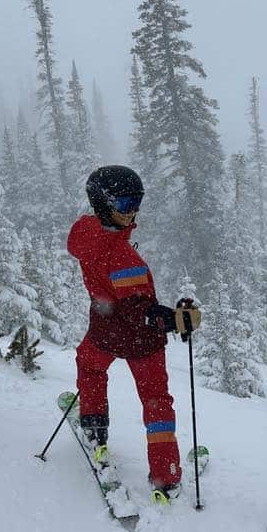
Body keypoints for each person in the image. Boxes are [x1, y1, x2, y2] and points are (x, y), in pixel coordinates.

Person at [66, 165, 201, 500]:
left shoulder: (84, 235)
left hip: (104, 332)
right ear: (103, 202)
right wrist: (173, 319)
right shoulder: (125, 258)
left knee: (90, 366)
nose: (134, 211)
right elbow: (140, 309)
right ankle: (165, 474)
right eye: (126, 203)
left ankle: (94, 427)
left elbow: (129, 304)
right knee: (156, 402)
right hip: (141, 343)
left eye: (137, 202)